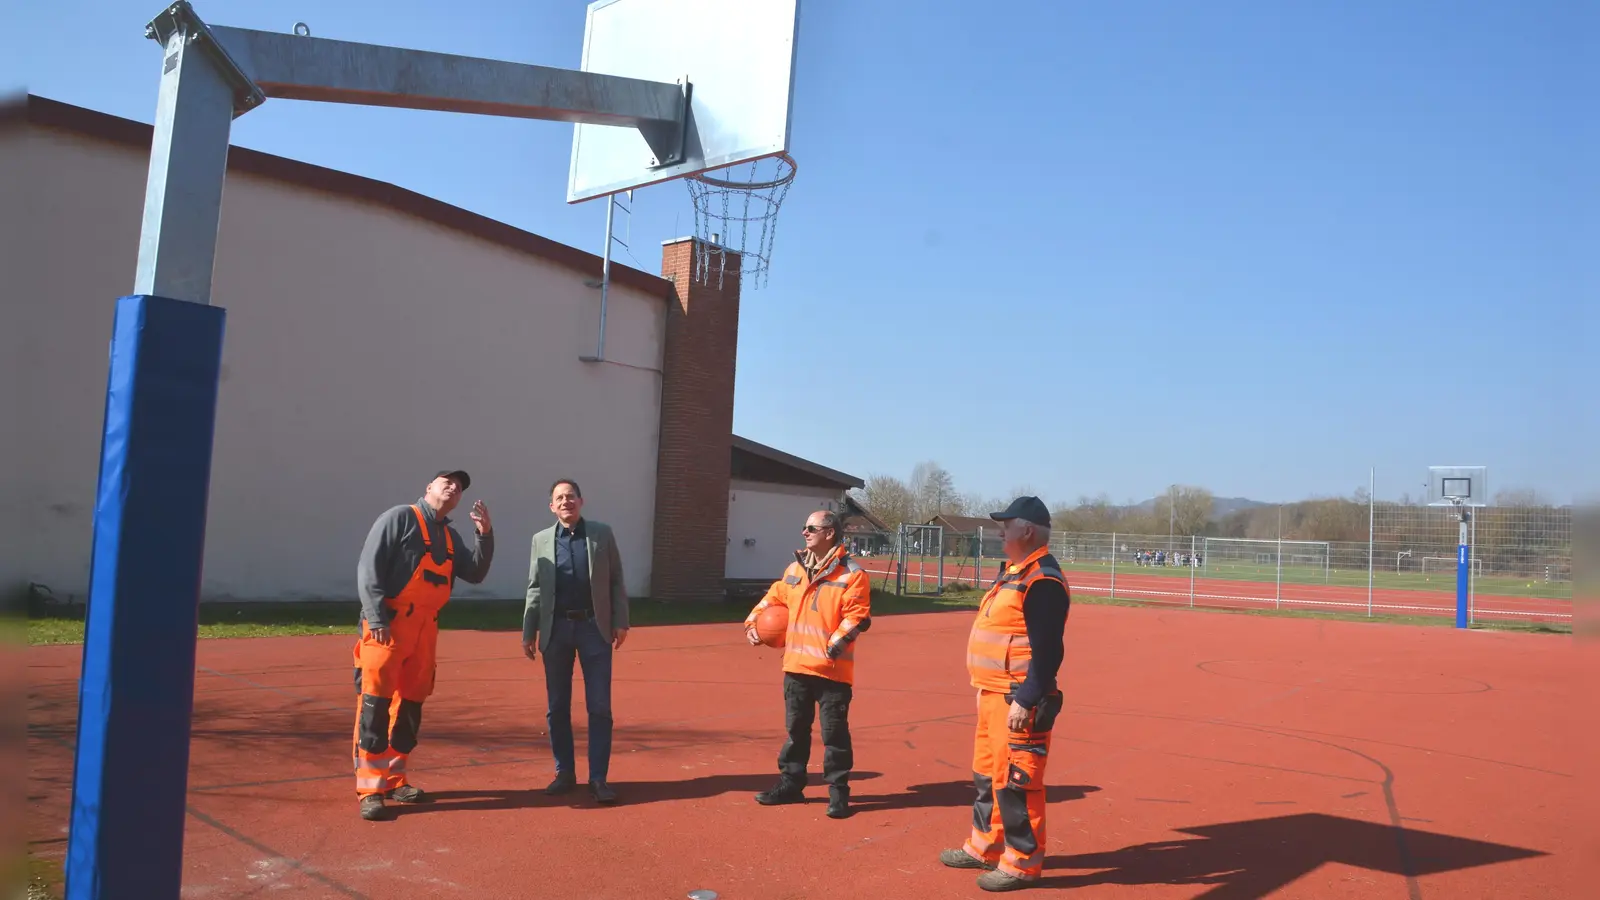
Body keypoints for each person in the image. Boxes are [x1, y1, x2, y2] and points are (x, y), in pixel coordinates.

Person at [939, 496, 1070, 892]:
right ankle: (986, 845)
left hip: (1017, 700)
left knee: (1017, 782)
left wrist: (1027, 699)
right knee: (987, 775)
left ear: (1026, 530)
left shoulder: (1042, 580)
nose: (999, 532)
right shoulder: (1016, 572)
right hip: (993, 695)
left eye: (1005, 526)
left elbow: (1049, 651)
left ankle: (1021, 864)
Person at [352, 470, 495, 821]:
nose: (454, 487)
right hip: (388, 626)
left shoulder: (450, 536)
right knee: (375, 705)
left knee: (410, 706)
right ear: (429, 487)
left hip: (425, 628)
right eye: (447, 481)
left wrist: (485, 535)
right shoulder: (398, 518)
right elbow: (369, 570)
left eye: (459, 487)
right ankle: (370, 790)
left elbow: (475, 573)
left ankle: (395, 780)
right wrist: (377, 619)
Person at [744, 509, 872, 819]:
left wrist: (832, 647)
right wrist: (753, 623)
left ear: (830, 532)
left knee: (834, 736)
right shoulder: (794, 569)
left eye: (811, 528)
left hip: (832, 671)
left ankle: (838, 793)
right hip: (796, 668)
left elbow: (857, 617)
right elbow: (772, 600)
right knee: (796, 732)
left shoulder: (852, 574)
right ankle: (791, 785)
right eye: (804, 527)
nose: (804, 532)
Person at [523, 478, 630, 804]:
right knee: (557, 706)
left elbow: (616, 579)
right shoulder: (541, 540)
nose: (565, 502)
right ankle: (564, 772)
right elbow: (535, 587)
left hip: (593, 628)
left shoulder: (601, 534)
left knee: (599, 706)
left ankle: (598, 778)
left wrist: (620, 621)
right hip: (556, 630)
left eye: (571, 496)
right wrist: (528, 630)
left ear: (581, 501)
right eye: (559, 498)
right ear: (551, 507)